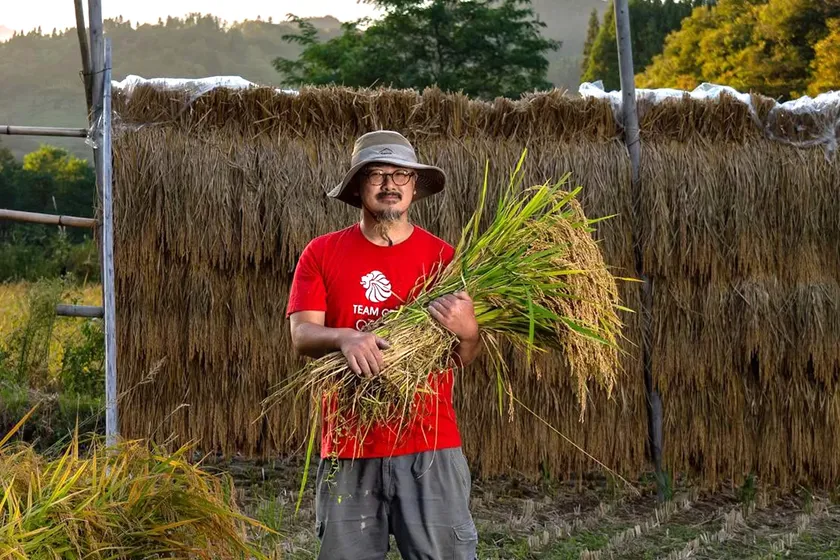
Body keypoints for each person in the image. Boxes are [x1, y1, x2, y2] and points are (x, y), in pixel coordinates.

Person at [287, 130, 481, 559]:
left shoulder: (443, 259)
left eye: (400, 175)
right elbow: (301, 335)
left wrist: (469, 332)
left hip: (429, 444)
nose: (389, 184)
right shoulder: (321, 253)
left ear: (414, 186)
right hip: (349, 445)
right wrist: (345, 337)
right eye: (376, 175)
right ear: (358, 187)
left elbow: (461, 358)